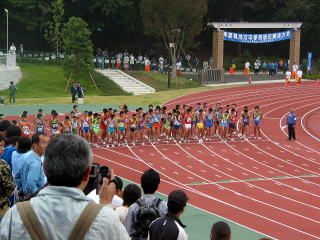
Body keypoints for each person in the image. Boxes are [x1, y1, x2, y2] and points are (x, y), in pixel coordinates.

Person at [0, 134, 130, 239]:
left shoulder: (15, 215)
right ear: (87, 173)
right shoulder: (105, 219)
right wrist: (106, 205)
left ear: (44, 169)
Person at [126, 169, 167, 240]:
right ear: (157, 186)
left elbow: (129, 232)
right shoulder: (164, 206)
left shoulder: (133, 207)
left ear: (141, 185)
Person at [15, 133, 49, 201]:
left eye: (47, 142)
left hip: (24, 195)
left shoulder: (25, 155)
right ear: (35, 145)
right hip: (34, 198)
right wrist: (34, 196)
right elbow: (31, 185)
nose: (47, 145)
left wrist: (22, 190)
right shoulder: (35, 163)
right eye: (44, 143)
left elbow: (17, 176)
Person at [0, 135, 16, 222]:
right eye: (0, 146)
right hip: (2, 208)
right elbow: (9, 190)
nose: (3, 148)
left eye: (3, 145)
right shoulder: (2, 164)